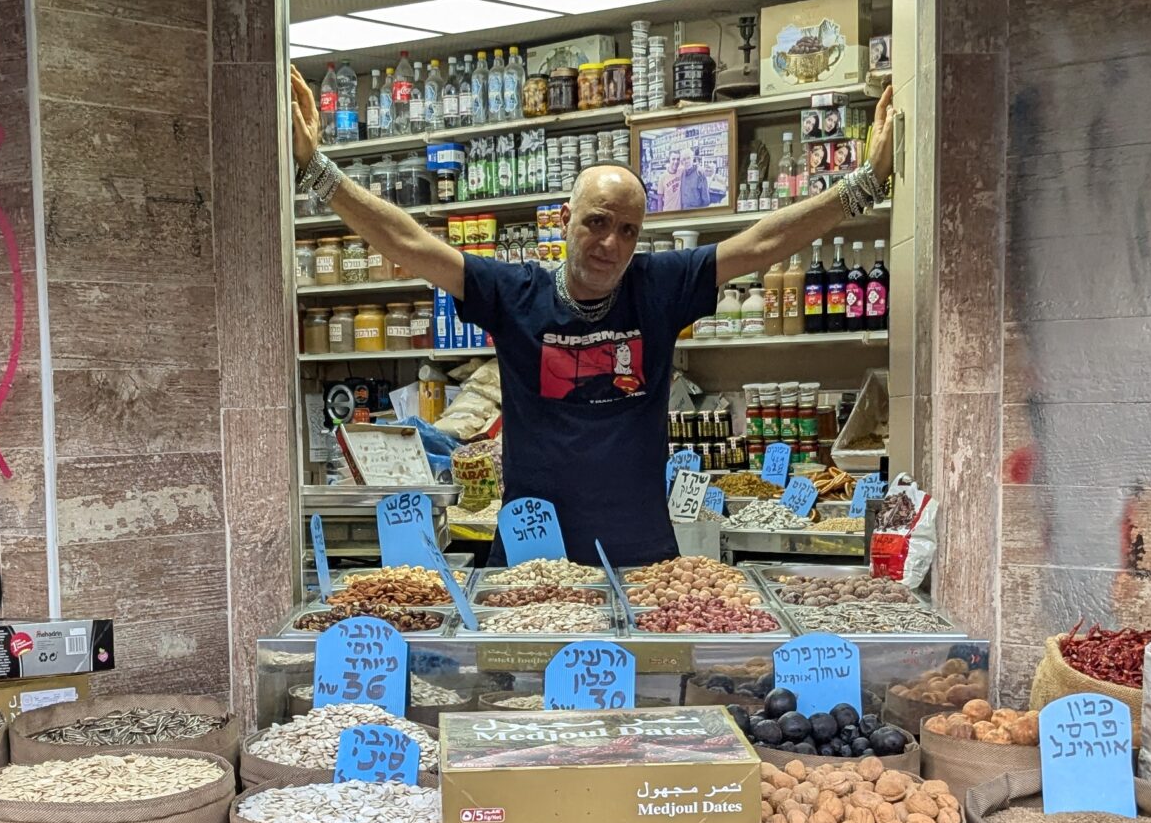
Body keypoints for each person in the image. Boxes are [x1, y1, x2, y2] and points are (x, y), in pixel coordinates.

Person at [289, 67, 896, 566]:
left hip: (640, 554)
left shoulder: (659, 286)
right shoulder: (515, 293)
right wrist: (317, 168)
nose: (610, 243)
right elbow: (413, 246)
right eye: (597, 222)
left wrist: (866, 181)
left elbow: (762, 243)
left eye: (628, 230)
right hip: (531, 552)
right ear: (564, 222)